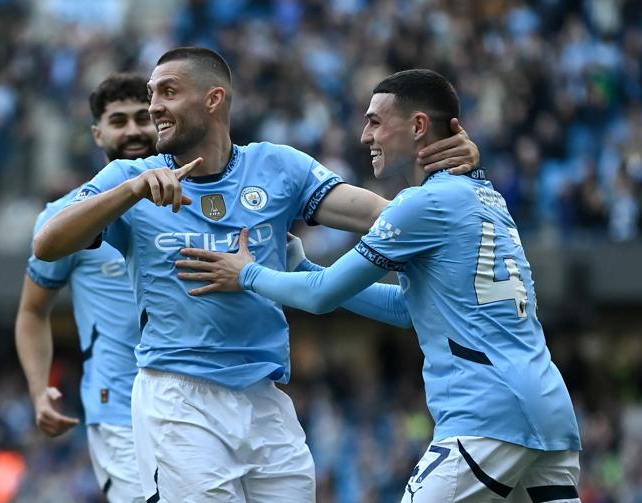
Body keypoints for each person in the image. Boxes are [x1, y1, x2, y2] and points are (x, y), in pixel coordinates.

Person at [33, 48, 480, 502]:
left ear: (213, 99)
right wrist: (130, 192)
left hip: (264, 396)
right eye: (152, 95)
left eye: (168, 92)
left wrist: (457, 175)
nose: (154, 107)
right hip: (178, 397)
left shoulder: (278, 166)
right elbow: (47, 243)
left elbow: (385, 217)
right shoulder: (130, 177)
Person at [175, 69, 581, 502]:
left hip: (488, 415)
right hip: (549, 409)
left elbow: (321, 297)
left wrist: (247, 274)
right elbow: (407, 309)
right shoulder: (487, 197)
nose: (365, 135)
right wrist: (305, 268)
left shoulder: (421, 204)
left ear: (419, 126)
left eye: (374, 121)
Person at [15, 73, 156, 503]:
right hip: (119, 411)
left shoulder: (201, 201)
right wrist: (40, 391)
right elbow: (31, 312)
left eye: (141, 117)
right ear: (98, 133)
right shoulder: (67, 221)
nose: (132, 130)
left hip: (199, 400)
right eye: (118, 121)